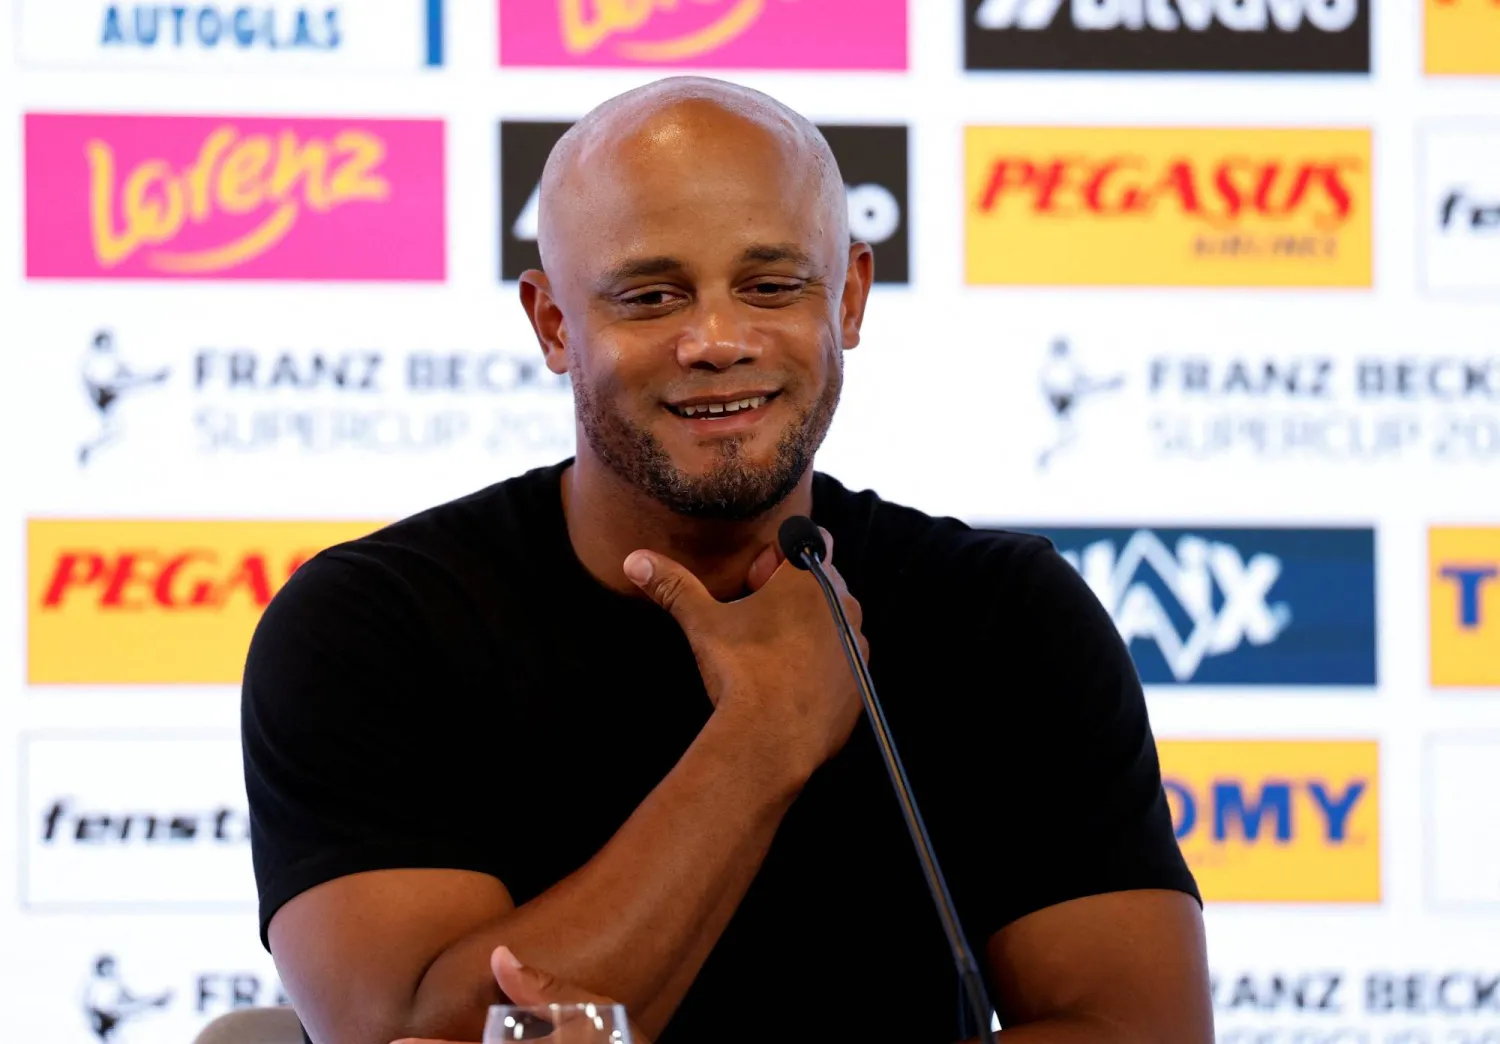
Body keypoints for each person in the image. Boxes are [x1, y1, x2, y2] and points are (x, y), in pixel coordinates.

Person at [242, 76, 1212, 1044]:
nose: (716, 341)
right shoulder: (372, 627)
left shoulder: (1002, 613)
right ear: (552, 325)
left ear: (851, 299)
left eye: (771, 285)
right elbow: (412, 1033)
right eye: (652, 295)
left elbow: (1141, 1031)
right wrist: (767, 734)